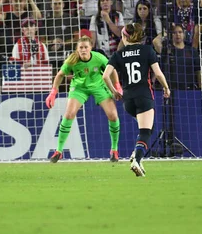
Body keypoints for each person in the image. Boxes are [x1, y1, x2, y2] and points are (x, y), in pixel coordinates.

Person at [102, 23, 171, 177]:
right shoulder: (147, 50)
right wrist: (166, 88)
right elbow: (158, 74)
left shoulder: (118, 54)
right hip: (144, 96)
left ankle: (136, 153)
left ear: (125, 36)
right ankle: (137, 160)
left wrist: (114, 92)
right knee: (146, 132)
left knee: (148, 128)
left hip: (128, 100)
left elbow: (105, 75)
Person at [46, 36, 122, 163]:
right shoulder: (72, 60)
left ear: (90, 48)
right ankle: (59, 151)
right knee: (69, 114)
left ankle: (114, 149)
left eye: (86, 47)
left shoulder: (99, 58)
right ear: (77, 49)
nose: (83, 50)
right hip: (79, 88)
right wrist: (53, 92)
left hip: (99, 86)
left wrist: (117, 85)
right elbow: (60, 75)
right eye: (81, 47)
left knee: (113, 116)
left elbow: (112, 70)